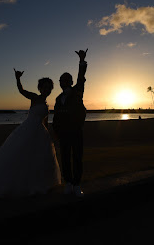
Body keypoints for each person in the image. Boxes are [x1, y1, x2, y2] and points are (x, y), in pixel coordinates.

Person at [0, 70, 61, 200]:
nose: (47, 90)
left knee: (39, 158)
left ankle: (39, 184)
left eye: (49, 88)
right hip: (29, 129)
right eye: (44, 87)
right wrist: (18, 79)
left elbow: (45, 122)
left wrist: (49, 134)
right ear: (40, 88)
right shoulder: (34, 97)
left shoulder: (47, 105)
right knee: (21, 156)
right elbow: (22, 91)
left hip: (41, 133)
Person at [53, 49, 88, 197]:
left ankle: (76, 184)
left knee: (77, 158)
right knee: (65, 158)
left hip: (76, 131)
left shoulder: (78, 91)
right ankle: (68, 183)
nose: (64, 82)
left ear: (71, 82)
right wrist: (56, 131)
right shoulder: (58, 98)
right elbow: (56, 117)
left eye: (67, 80)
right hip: (63, 133)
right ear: (60, 83)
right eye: (62, 80)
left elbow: (81, 77)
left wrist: (81, 60)